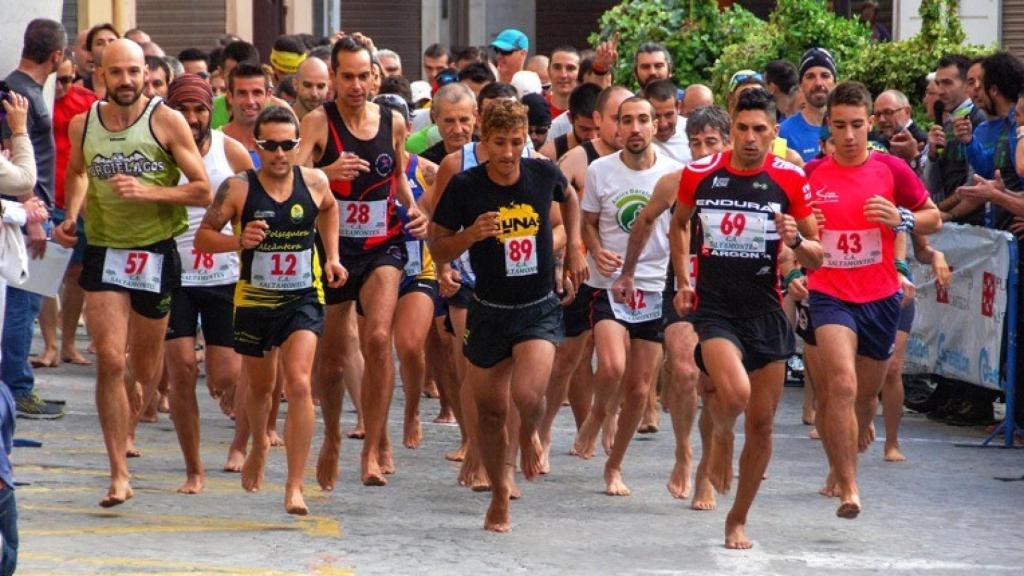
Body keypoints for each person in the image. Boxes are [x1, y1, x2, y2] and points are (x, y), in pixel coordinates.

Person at [54, 39, 211, 506]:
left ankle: (136, 407)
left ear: (146, 73)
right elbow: (79, 172)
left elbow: (202, 190)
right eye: (116, 72)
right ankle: (118, 473)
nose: (126, 81)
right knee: (110, 359)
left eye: (134, 72)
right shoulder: (86, 124)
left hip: (156, 252)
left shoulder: (166, 121)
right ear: (100, 74)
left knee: (143, 368)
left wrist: (150, 193)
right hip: (106, 250)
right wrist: (71, 214)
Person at [670, 87, 823, 548]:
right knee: (733, 393)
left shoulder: (791, 179)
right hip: (715, 308)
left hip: (766, 309)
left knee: (761, 424)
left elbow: (817, 257)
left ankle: (737, 517)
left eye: (761, 130)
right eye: (742, 128)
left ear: (774, 132)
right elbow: (679, 223)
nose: (750, 138)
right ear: (731, 127)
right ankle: (719, 435)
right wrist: (683, 279)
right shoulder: (699, 174)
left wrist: (795, 242)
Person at [430, 98, 585, 532]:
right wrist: (470, 235)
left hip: (537, 306)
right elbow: (436, 244)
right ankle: (499, 494)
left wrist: (573, 246)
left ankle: (531, 431)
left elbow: (570, 198)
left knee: (529, 396)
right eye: (499, 142)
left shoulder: (541, 173)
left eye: (516, 142)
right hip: (489, 308)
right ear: (484, 140)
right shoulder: (466, 186)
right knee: (491, 412)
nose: (508, 152)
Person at [195, 105, 344, 514]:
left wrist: (331, 256)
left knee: (298, 383)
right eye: (270, 146)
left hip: (302, 298)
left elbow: (330, 209)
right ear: (256, 146)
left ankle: (294, 486)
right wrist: (238, 243)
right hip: (256, 300)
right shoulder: (238, 188)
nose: (279, 154)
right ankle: (259, 440)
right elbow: (204, 238)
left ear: (299, 145)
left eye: (288, 145)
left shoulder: (313, 181)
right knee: (260, 389)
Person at [806, 81, 941, 519]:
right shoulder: (811, 175)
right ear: (829, 126)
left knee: (865, 398)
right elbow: (789, 230)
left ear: (870, 124)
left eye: (857, 126)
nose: (848, 136)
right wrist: (805, 228)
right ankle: (848, 485)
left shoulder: (890, 169)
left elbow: (933, 217)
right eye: (840, 126)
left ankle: (857, 435)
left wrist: (900, 216)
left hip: (881, 296)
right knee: (840, 385)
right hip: (829, 294)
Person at [298, 36, 428, 488]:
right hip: (335, 251)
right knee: (332, 361)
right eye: (346, 77)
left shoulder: (392, 120)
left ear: (375, 77)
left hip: (383, 244)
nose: (356, 86)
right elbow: (289, 179)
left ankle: (373, 446)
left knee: (377, 338)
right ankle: (333, 436)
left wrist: (415, 208)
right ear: (332, 78)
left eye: (363, 76)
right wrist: (325, 175)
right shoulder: (317, 122)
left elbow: (398, 176)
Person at [614, 104, 730, 503]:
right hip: (681, 284)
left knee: (717, 385)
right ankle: (684, 450)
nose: (702, 152)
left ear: (727, 144)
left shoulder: (750, 183)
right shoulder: (675, 182)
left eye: (711, 143)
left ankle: (707, 466)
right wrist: (627, 273)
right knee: (682, 370)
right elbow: (645, 222)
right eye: (695, 143)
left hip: (733, 291)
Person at [575, 96, 682, 496]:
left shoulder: (674, 172)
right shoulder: (600, 171)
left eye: (643, 120)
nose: (635, 129)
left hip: (654, 284)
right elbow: (586, 223)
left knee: (639, 390)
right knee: (612, 367)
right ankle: (599, 412)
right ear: (616, 127)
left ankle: (614, 466)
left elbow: (684, 227)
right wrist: (593, 248)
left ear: (655, 125)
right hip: (609, 282)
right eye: (627, 121)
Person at [164, 75, 254, 493]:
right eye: (183, 110)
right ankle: (193, 468)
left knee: (226, 377)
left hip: (223, 276)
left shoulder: (227, 149)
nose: (192, 118)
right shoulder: (158, 149)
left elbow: (261, 194)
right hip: (174, 274)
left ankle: (241, 443)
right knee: (181, 370)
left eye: (199, 109)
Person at [1, 18, 67, 419]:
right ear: (57, 56)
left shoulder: (25, 90)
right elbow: (10, 153)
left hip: (33, 208)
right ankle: (16, 390)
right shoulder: (15, 93)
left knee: (29, 301)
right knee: (22, 304)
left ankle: (18, 385)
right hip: (27, 212)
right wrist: (33, 216)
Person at [30, 53, 96, 370]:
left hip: (78, 201)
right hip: (45, 197)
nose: (64, 86)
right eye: (59, 79)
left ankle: (68, 342)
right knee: (46, 274)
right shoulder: (32, 99)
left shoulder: (88, 104)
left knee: (76, 275)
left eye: (70, 79)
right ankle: (50, 346)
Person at [925, 54, 986, 222]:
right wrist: (932, 155)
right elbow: (933, 185)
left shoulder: (978, 118)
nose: (940, 91)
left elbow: (976, 181)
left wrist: (938, 210)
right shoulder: (945, 123)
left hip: (975, 224)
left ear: (966, 84)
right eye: (938, 83)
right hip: (949, 224)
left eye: (947, 83)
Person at [779, 48, 837, 162]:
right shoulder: (781, 133)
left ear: (835, 82)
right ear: (800, 85)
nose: (818, 83)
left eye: (825, 76)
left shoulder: (847, 127)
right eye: (810, 76)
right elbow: (775, 169)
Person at [221, 63, 271, 167]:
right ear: (230, 97)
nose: (250, 101)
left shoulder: (283, 143)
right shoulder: (214, 143)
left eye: (257, 93)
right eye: (242, 93)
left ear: (268, 96)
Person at [420, 83, 479, 165]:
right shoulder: (425, 164)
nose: (457, 130)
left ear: (475, 116)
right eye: (449, 121)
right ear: (435, 118)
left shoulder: (491, 156)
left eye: (464, 120)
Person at [540, 83, 600, 159]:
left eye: (598, 128)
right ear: (570, 118)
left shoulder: (615, 149)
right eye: (585, 129)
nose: (593, 137)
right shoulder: (549, 155)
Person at [871, 90, 928, 168]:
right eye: (878, 114)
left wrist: (914, 157)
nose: (882, 120)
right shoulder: (873, 142)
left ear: (907, 112)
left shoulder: (924, 142)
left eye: (888, 112)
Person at [646, 78, 691, 164]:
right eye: (656, 116)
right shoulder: (640, 138)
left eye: (669, 115)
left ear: (678, 107)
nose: (663, 124)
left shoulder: (692, 129)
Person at [292, 56, 330, 121]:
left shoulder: (336, 121)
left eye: (320, 86)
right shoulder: (279, 119)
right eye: (308, 85)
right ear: (295, 84)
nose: (314, 93)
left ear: (328, 87)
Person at [547, 47, 580, 118]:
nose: (563, 75)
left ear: (580, 73)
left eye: (570, 68)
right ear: (548, 71)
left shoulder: (589, 113)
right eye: (557, 67)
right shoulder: (537, 109)